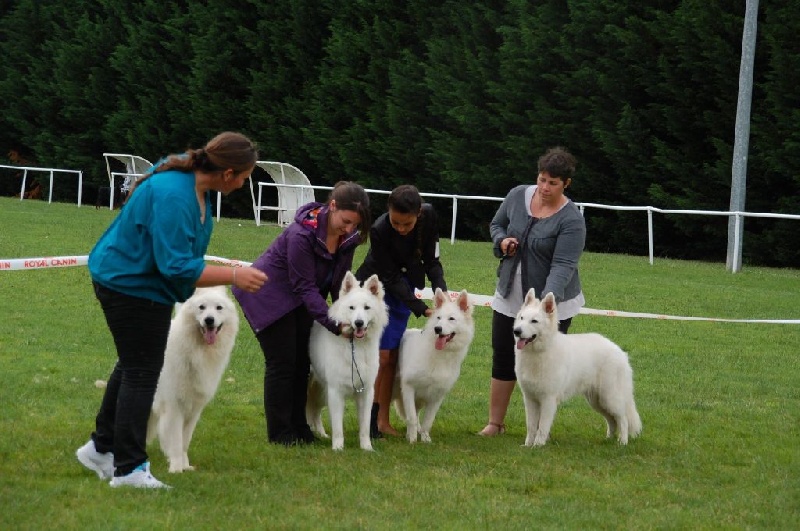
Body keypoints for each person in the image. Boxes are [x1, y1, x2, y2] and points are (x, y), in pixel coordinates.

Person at [76, 132, 268, 488]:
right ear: (228, 173)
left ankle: (101, 449)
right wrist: (235, 276)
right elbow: (176, 266)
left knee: (133, 363)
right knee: (142, 373)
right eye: (244, 176)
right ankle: (129, 469)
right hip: (129, 285)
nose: (244, 184)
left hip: (139, 283)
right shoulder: (175, 195)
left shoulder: (194, 184)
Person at [234, 181, 371, 446]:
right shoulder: (301, 235)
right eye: (346, 221)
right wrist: (335, 324)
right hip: (268, 296)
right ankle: (281, 433)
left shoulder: (348, 238)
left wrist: (348, 312)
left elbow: (338, 282)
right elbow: (304, 286)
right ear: (332, 206)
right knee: (283, 364)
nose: (349, 228)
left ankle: (300, 427)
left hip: (302, 301)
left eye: (355, 224)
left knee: (301, 365)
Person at [478, 146, 586, 437]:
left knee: (544, 362)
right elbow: (497, 224)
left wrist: (543, 307)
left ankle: (540, 429)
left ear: (566, 184)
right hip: (511, 293)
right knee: (503, 353)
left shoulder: (571, 220)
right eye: (542, 180)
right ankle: (495, 423)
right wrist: (502, 242)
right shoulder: (517, 196)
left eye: (553, 183)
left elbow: (563, 266)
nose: (545, 187)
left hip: (551, 303)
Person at [355, 184, 448, 438]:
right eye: (396, 222)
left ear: (419, 213)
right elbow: (389, 275)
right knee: (382, 357)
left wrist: (442, 294)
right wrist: (421, 308)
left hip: (403, 287)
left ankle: (383, 421)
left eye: (406, 224)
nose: (401, 229)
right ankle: (370, 422)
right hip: (378, 287)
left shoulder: (429, 217)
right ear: (389, 212)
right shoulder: (379, 230)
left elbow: (432, 261)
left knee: (392, 357)